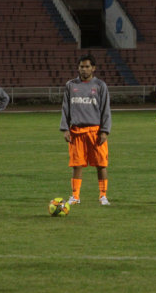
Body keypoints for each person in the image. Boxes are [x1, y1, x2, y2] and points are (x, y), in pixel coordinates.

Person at [60, 54, 112, 206]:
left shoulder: (100, 86)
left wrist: (104, 131)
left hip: (95, 131)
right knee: (77, 165)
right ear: (78, 68)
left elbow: (105, 110)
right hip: (76, 131)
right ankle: (75, 196)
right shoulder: (70, 85)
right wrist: (65, 128)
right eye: (82, 66)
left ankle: (103, 195)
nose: (84, 69)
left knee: (101, 164)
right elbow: (65, 109)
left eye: (87, 66)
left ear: (93, 68)